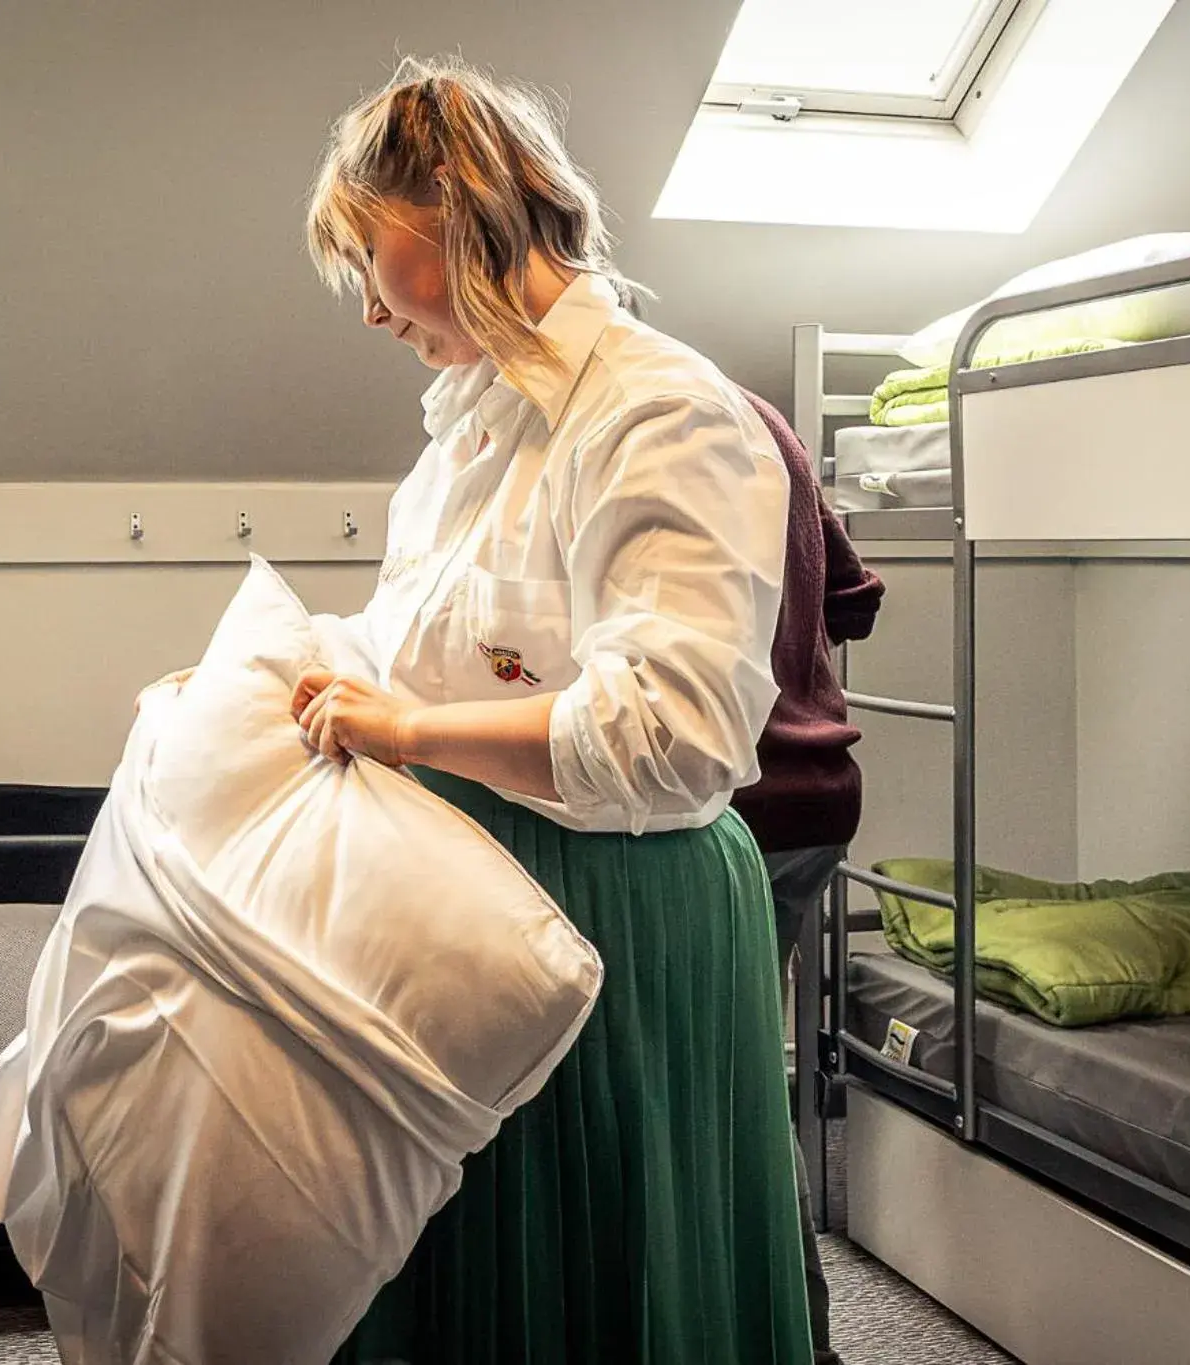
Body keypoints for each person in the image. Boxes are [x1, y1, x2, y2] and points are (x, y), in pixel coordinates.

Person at [292, 57, 814, 1364]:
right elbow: (435, 639)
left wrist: (405, 734)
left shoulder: (663, 414)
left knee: (595, 1280)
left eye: (369, 257)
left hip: (612, 910)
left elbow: (672, 732)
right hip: (479, 895)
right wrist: (295, 669)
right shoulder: (469, 427)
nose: (365, 309)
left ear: (457, 204)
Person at [729, 390, 885, 1365]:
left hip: (742, 806)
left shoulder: (645, 416)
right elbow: (853, 599)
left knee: (732, 1088)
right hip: (813, 794)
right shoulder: (752, 410)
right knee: (746, 1071)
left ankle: (803, 1344)